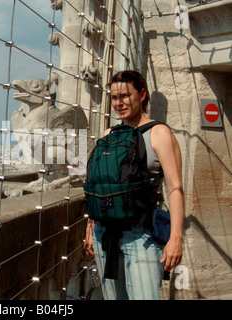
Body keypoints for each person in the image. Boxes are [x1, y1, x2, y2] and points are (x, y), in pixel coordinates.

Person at [84, 70, 184, 300]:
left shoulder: (160, 133)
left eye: (125, 96)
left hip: (142, 235)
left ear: (142, 95)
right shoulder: (108, 133)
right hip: (104, 234)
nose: (119, 103)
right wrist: (90, 227)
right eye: (114, 97)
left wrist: (175, 239)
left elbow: (175, 189)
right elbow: (99, 184)